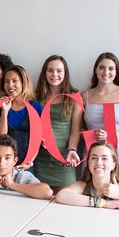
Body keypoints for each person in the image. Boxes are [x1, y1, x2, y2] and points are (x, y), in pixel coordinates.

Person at [83, 52, 119, 186]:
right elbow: (77, 128)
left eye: (111, 68)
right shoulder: (84, 96)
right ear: (96, 70)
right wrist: (91, 134)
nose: (106, 72)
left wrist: (118, 134)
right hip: (93, 154)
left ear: (116, 72)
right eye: (102, 67)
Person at [33, 56, 84, 192]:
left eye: (59, 71)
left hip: (65, 158)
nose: (54, 75)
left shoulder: (74, 97)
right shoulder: (35, 96)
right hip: (40, 159)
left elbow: (75, 129)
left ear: (65, 73)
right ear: (45, 73)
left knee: (64, 200)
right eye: (50, 70)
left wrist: (72, 149)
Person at [0, 65, 43, 170]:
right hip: (5, 164)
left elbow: (38, 139)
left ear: (23, 83)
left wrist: (29, 162)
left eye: (14, 81)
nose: (10, 85)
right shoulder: (1, 106)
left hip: (27, 164)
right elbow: (0, 137)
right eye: (7, 81)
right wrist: (4, 111)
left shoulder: (35, 106)